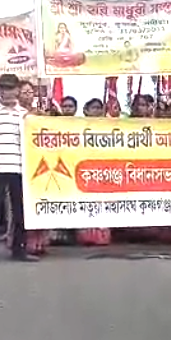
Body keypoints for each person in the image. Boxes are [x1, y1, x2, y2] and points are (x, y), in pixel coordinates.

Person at [0, 74, 32, 265]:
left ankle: (19, 249)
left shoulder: (25, 115)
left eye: (10, 88)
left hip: (19, 167)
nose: (7, 92)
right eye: (3, 88)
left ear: (17, 90)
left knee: (21, 211)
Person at [76, 99, 111, 246]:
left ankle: (101, 235)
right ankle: (87, 234)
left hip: (103, 170)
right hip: (84, 170)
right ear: (86, 110)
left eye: (99, 108)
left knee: (102, 203)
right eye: (94, 108)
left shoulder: (109, 128)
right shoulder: (76, 127)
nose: (96, 111)